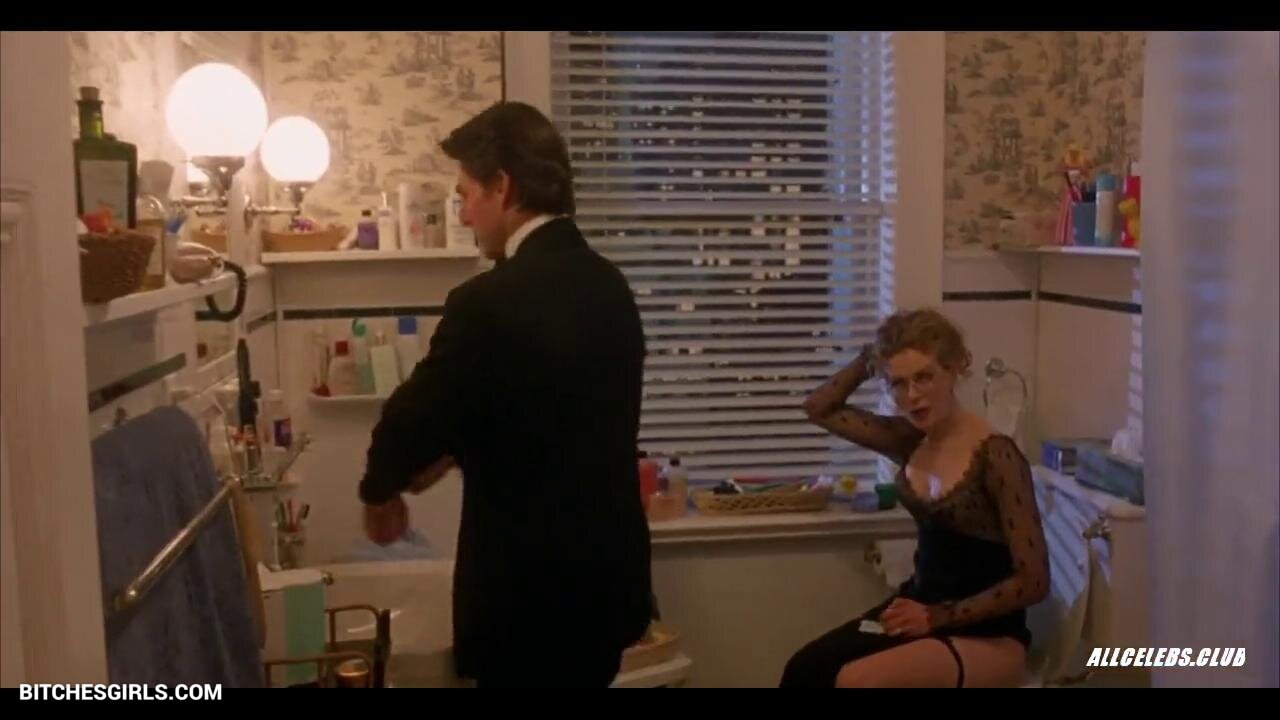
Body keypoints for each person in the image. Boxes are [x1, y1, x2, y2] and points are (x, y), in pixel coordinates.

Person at [358, 102, 653, 687]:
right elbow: (544, 410)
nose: (465, 214)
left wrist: (379, 490)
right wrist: (458, 446)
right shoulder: (610, 287)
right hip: (605, 587)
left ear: (503, 186)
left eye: (467, 195)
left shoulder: (487, 302)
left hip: (525, 603)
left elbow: (412, 418)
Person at [780, 309, 1050, 688]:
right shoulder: (909, 440)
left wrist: (938, 617)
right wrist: (871, 357)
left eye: (924, 377)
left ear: (954, 369)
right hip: (918, 606)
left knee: (857, 682)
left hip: (988, 633)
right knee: (805, 669)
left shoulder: (996, 455)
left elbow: (1034, 581)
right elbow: (819, 407)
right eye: (898, 383)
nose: (912, 396)